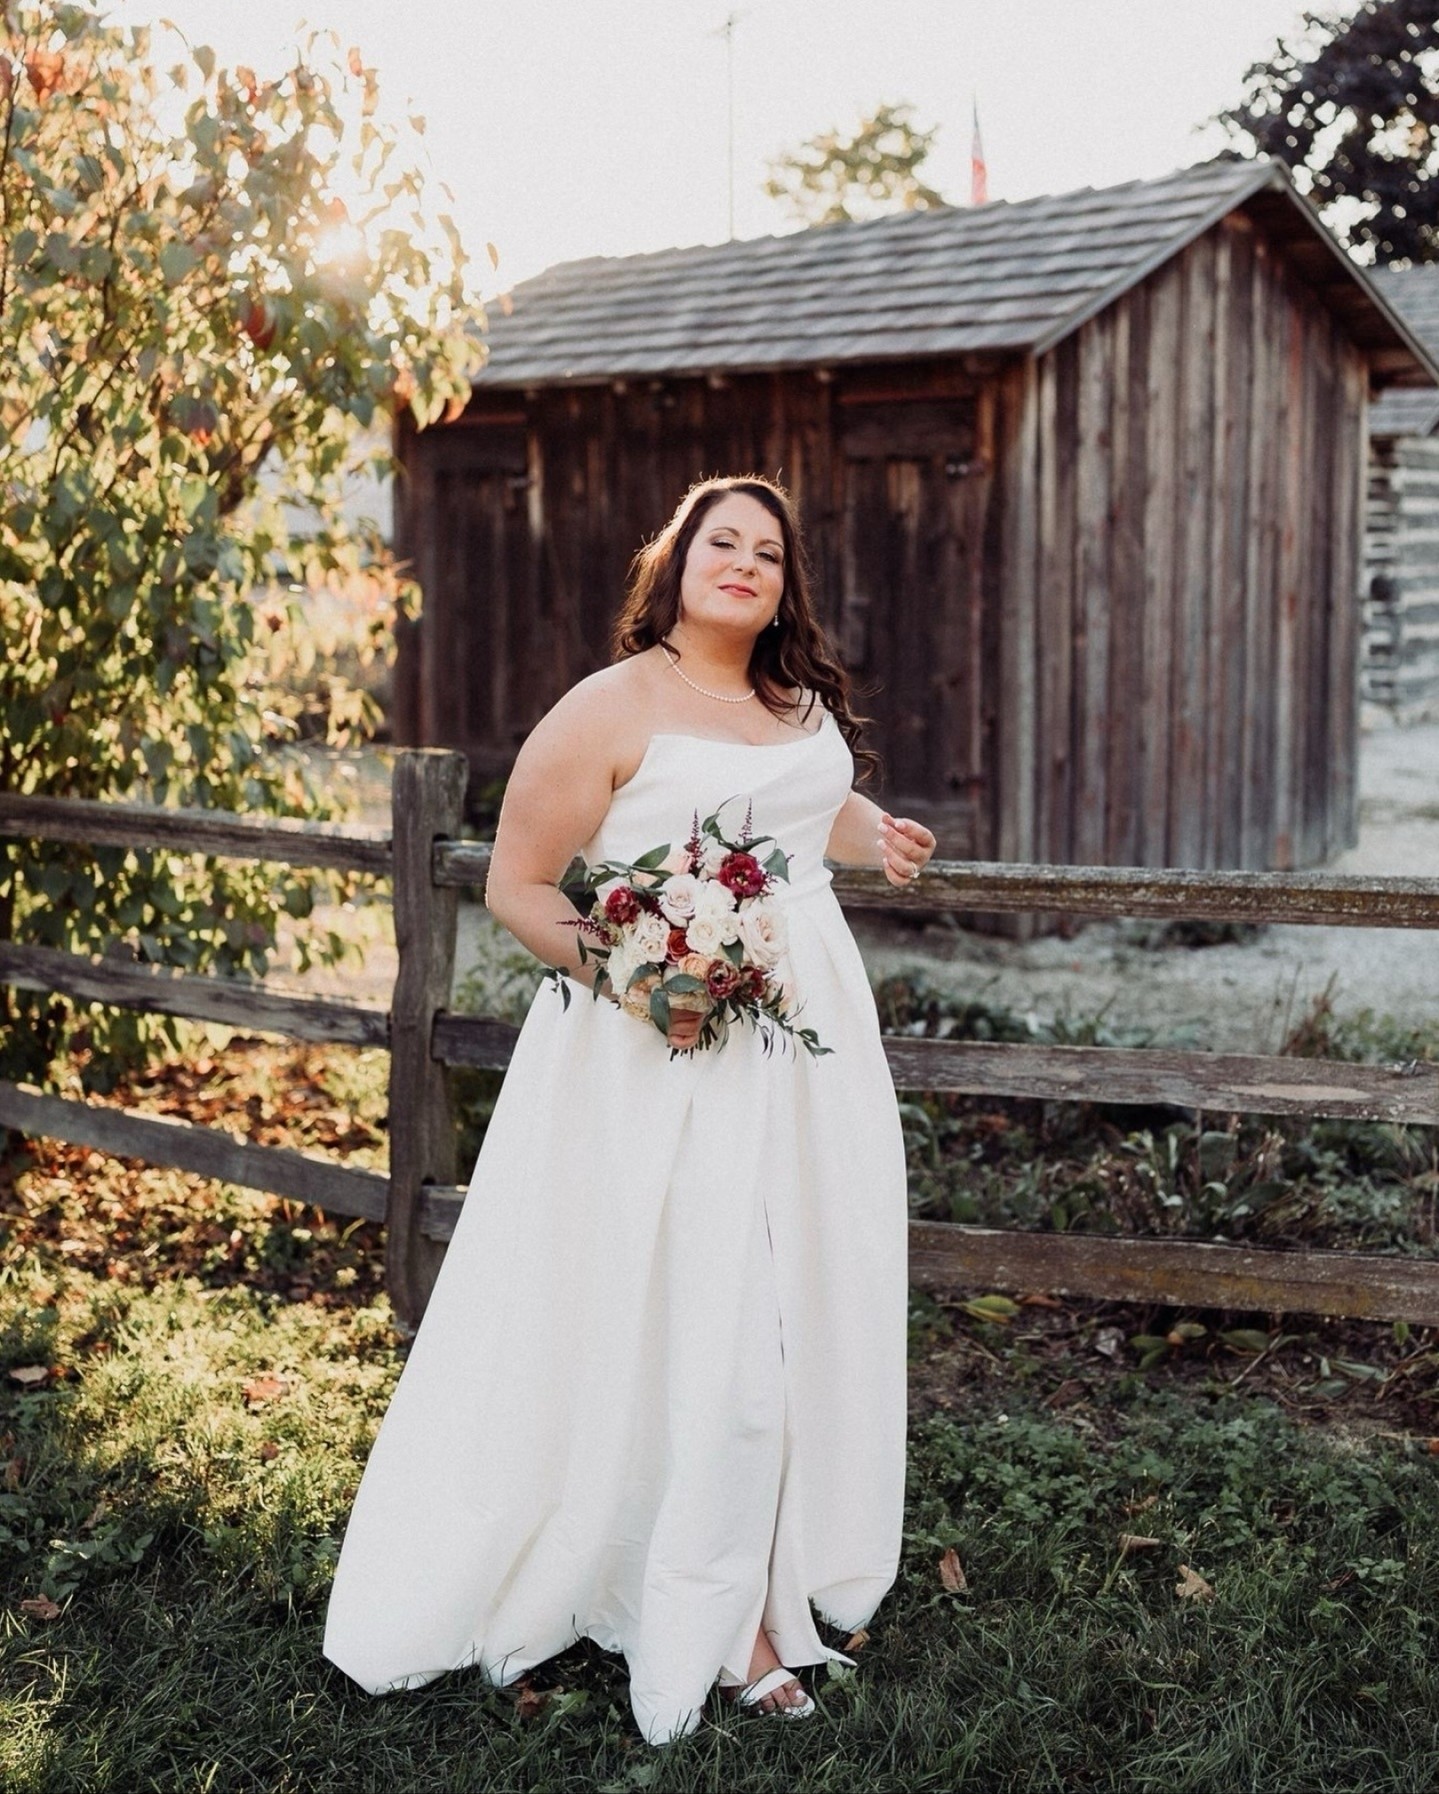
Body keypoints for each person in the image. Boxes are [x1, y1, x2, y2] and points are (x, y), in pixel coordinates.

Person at [321, 474, 937, 1743]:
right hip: (655, 1055)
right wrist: (643, 976)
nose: (746, 563)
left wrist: (873, 833)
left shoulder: (792, 702)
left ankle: (768, 1557)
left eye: (769, 551)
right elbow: (519, 884)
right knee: (703, 1316)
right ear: (675, 560)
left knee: (798, 1296)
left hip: (805, 1048)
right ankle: (727, 1621)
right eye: (723, 541)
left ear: (784, 585)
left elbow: (799, 807)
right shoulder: (605, 706)